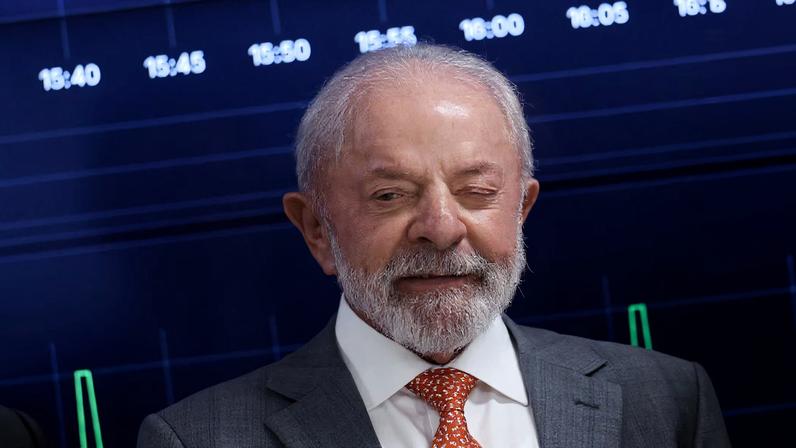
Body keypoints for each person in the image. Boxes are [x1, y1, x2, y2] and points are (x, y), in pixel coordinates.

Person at [137, 44, 731, 447]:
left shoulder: (668, 399)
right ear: (317, 229)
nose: (442, 228)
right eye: (391, 196)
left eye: (477, 191)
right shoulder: (197, 439)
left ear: (521, 209)